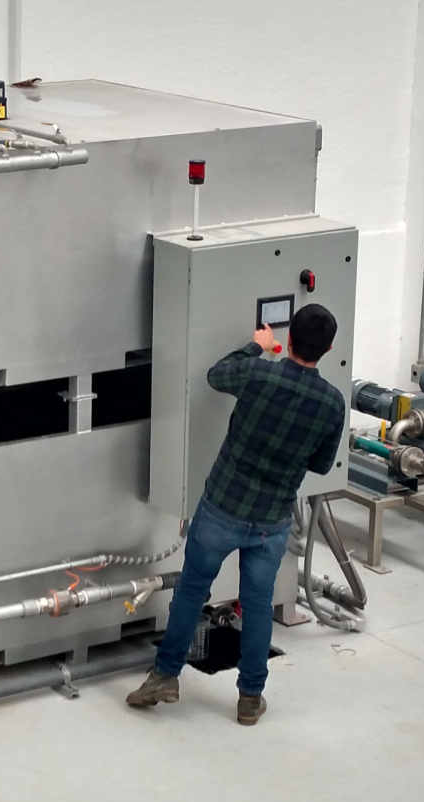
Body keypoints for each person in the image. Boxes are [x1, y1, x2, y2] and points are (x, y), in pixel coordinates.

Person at [126, 303, 345, 725]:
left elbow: (216, 373)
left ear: (289, 339)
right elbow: (320, 465)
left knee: (192, 591)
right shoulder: (332, 403)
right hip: (273, 519)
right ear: (330, 347)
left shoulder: (258, 372)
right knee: (259, 604)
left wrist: (256, 346)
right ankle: (249, 699)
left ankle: (164, 677)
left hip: (222, 506)